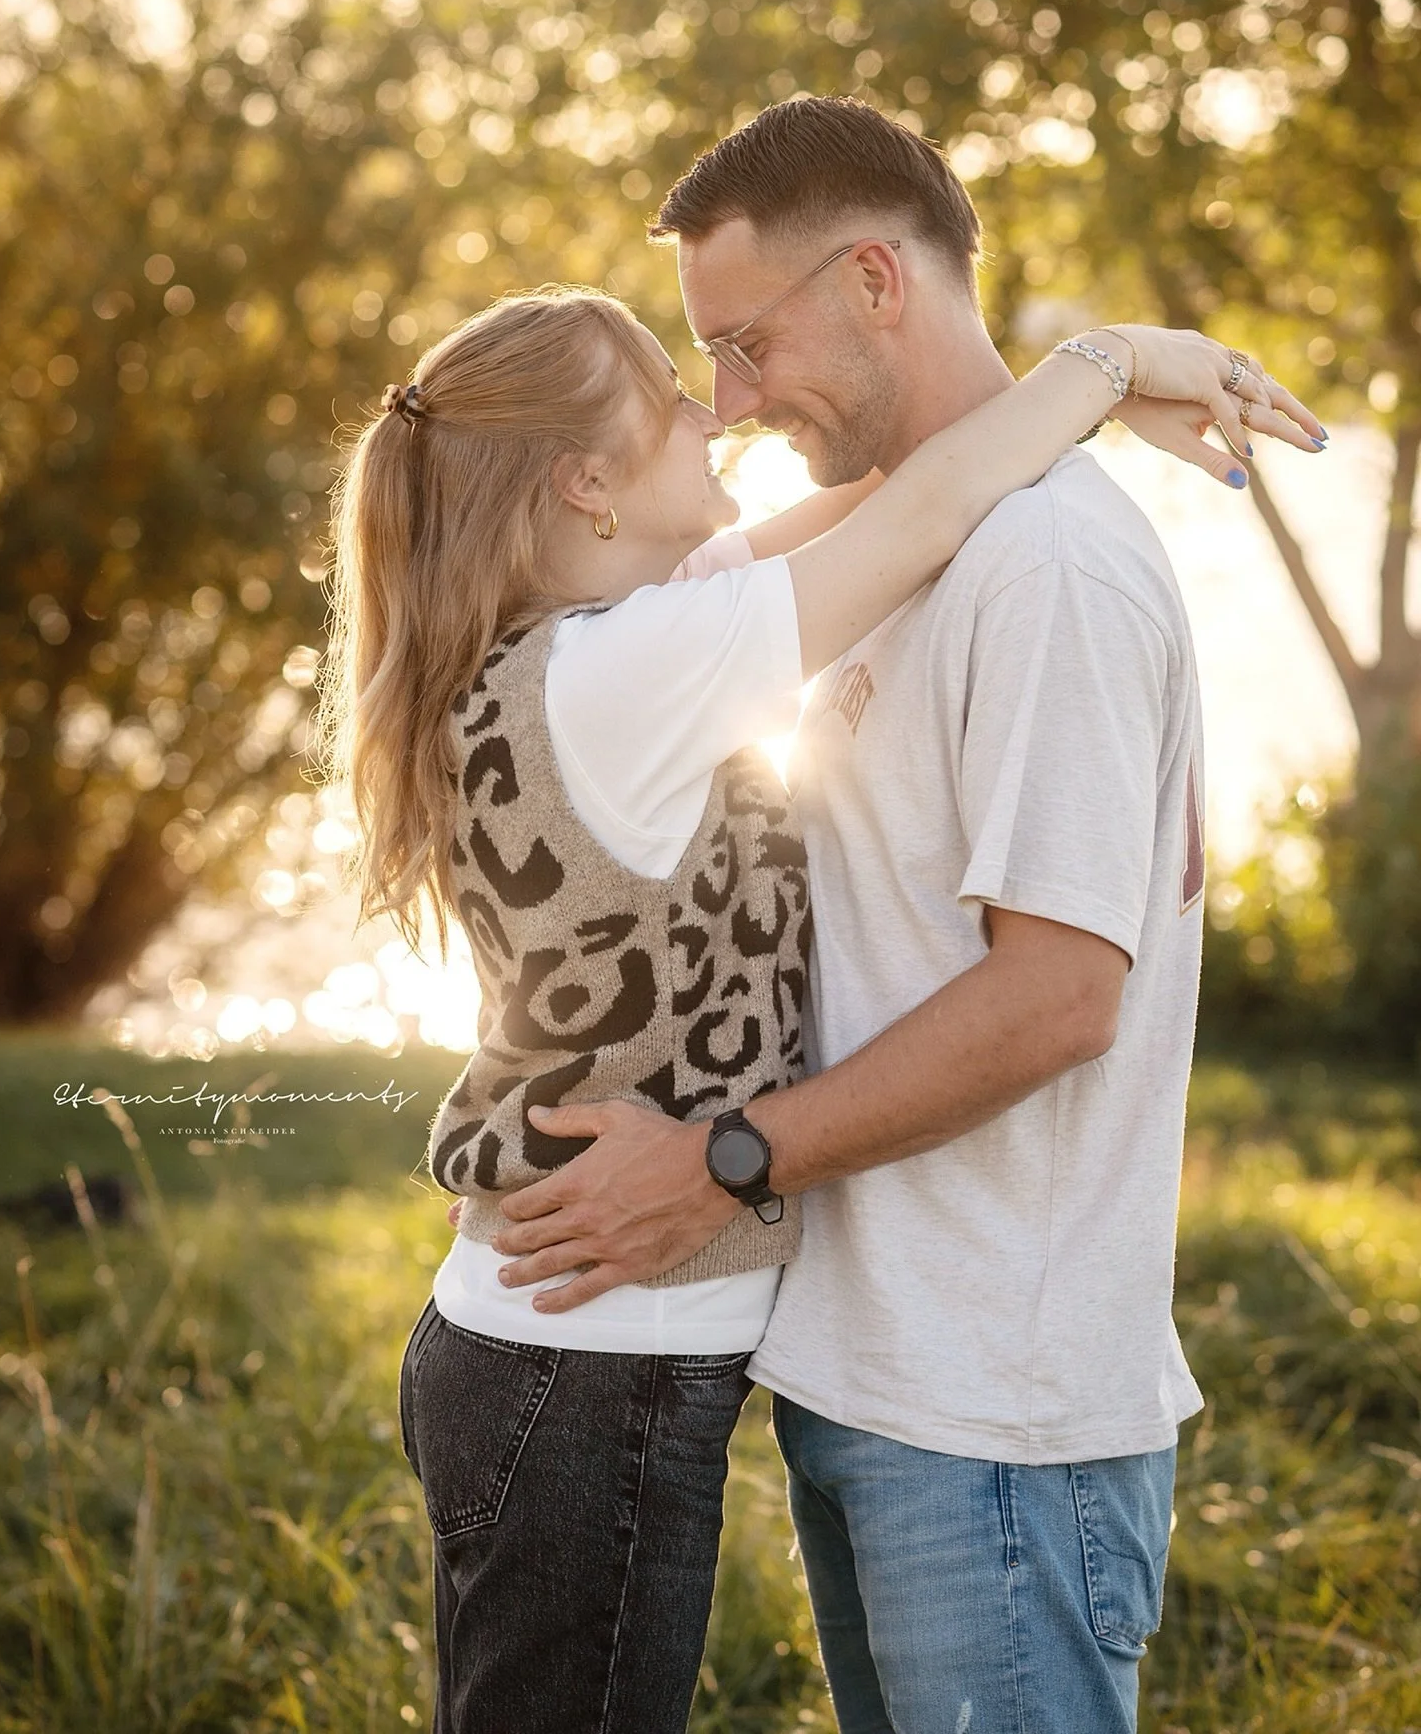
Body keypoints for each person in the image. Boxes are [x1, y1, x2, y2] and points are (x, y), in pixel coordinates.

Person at [319, 289, 1310, 1731]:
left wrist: (1082, 436)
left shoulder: (609, 638)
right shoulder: (630, 669)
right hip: (585, 1364)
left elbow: (898, 484)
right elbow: (928, 513)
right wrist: (1116, 361)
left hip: (563, 1353)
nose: (707, 410)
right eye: (664, 392)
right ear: (584, 482)